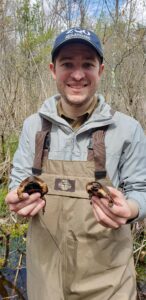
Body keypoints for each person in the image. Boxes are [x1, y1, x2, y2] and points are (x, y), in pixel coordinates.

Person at [5, 27, 146, 300]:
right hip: (44, 278)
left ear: (101, 70)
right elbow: (18, 182)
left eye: (88, 64)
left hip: (109, 282)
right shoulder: (32, 126)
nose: (78, 74)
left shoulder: (128, 129)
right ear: (53, 69)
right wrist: (17, 202)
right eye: (68, 64)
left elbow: (142, 189)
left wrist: (130, 209)